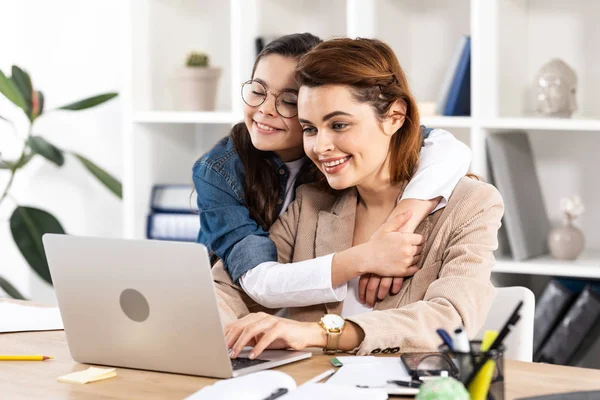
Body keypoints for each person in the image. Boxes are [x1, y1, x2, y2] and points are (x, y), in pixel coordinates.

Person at [212, 37, 503, 359]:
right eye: (309, 129)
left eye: (339, 125)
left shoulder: (471, 204)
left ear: (394, 116)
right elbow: (225, 290)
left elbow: (450, 321)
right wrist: (217, 337)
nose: (320, 147)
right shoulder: (311, 202)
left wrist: (320, 333)